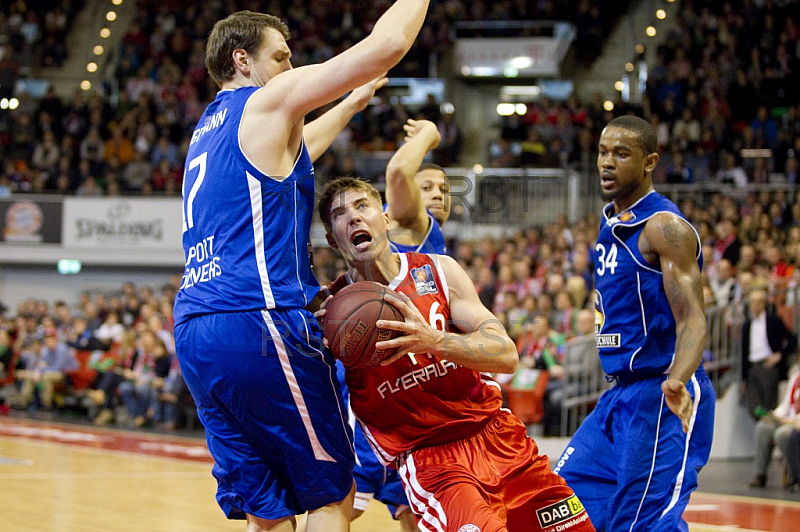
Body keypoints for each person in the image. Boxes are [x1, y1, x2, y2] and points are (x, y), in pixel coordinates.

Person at [171, 4, 431, 532]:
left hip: (196, 331)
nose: (290, 69)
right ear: (242, 61)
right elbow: (387, 46)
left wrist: (351, 107)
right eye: (281, 57)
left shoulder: (208, 131)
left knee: (265, 506)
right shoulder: (264, 101)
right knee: (331, 494)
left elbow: (296, 152)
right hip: (257, 320)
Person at [318, 177, 594, 532]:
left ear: (385, 219)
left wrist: (433, 340)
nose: (354, 218)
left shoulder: (438, 271)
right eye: (340, 214)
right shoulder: (329, 316)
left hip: (500, 436)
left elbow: (506, 354)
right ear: (331, 238)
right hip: (433, 460)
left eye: (362, 206)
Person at [555, 116, 715, 531]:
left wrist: (677, 382)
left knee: (641, 524)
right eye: (603, 153)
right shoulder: (611, 224)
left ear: (650, 162)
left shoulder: (663, 227)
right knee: (561, 503)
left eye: (621, 154)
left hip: (661, 390)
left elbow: (694, 319)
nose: (607, 163)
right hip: (618, 397)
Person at [385, 118, 449, 253]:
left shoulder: (432, 233)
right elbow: (398, 172)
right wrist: (430, 132)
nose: (437, 195)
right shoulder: (402, 219)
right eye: (426, 188)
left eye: (444, 190)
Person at [741, 287, 797, 419]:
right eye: (752, 302)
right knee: (754, 407)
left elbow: (792, 339)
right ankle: (765, 424)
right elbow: (744, 352)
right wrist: (743, 377)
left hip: (768, 368)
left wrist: (779, 355)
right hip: (752, 368)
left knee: (769, 405)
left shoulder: (773, 321)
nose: (754, 306)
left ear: (763, 303)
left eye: (757, 302)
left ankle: (766, 430)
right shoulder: (747, 325)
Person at [749, 369, 800, 489]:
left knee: (782, 434)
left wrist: (790, 420)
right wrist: (775, 414)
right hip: (788, 419)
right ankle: (760, 474)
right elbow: (787, 404)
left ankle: (795, 476)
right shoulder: (796, 377)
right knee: (763, 427)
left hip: (796, 422)